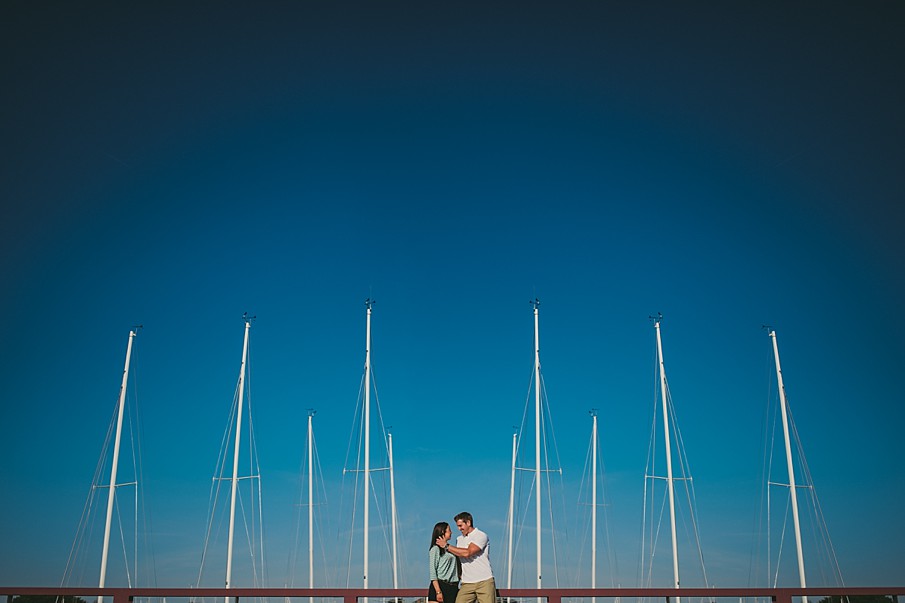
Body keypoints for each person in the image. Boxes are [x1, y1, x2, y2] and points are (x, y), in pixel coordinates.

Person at [436, 511, 495, 603]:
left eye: (460, 526)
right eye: (457, 526)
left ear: (468, 523)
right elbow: (459, 558)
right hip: (467, 583)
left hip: (484, 581)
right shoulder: (459, 540)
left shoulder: (481, 535)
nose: (459, 529)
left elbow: (468, 552)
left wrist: (446, 546)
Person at [428, 521, 460, 603]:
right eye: (449, 530)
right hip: (440, 585)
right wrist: (438, 591)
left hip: (453, 587)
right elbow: (433, 572)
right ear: (443, 532)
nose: (451, 532)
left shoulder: (450, 549)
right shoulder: (435, 549)